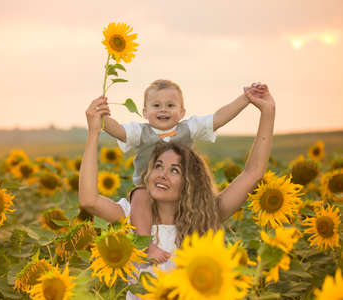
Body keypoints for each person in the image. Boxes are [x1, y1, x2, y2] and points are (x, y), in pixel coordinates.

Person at [80, 84, 274, 299]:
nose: (162, 174)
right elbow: (89, 200)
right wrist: (94, 133)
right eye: (158, 166)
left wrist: (267, 111)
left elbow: (253, 173)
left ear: (190, 181)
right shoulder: (133, 217)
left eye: (174, 170)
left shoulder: (206, 216)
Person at [101, 79, 267, 262]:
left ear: (182, 112)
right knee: (139, 195)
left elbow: (218, 118)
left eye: (170, 105)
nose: (163, 109)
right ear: (145, 112)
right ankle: (145, 244)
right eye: (156, 105)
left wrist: (245, 98)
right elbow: (116, 130)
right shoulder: (139, 132)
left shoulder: (189, 128)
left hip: (183, 189)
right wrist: (100, 116)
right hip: (146, 188)